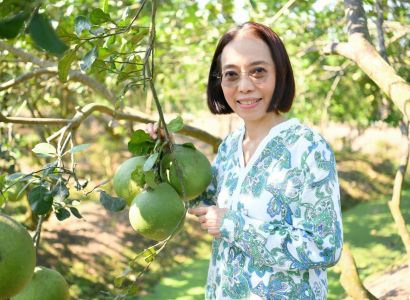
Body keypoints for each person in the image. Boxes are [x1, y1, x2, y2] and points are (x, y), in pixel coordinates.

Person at [148, 22, 343, 300]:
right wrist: (168, 151)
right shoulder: (229, 146)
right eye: (231, 75)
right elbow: (204, 204)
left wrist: (232, 226)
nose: (244, 86)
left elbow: (324, 247)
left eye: (258, 71)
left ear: (281, 75)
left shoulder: (307, 148)